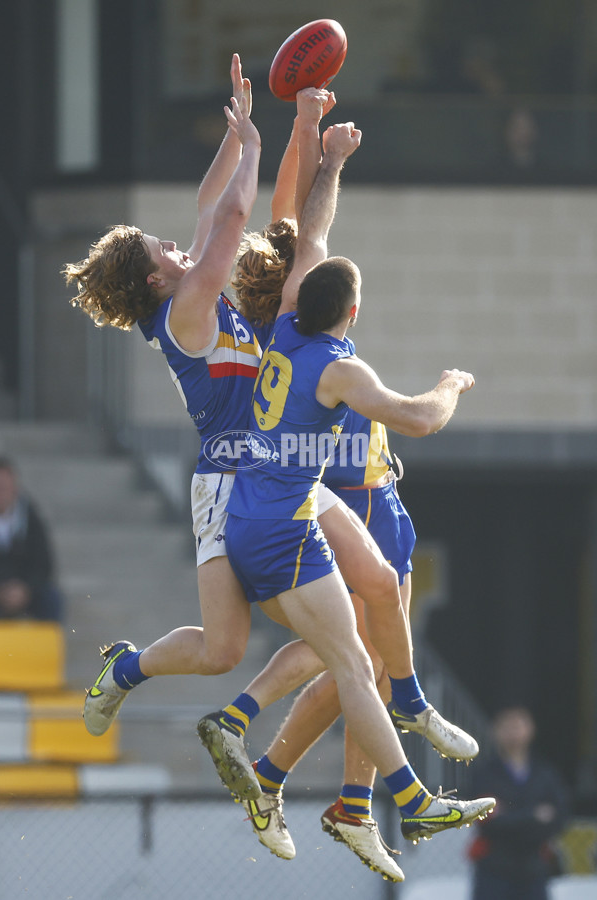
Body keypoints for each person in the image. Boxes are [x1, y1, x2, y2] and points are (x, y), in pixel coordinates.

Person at [197, 115, 495, 873]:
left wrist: (327, 155)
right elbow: (422, 419)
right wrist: (452, 384)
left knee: (359, 640)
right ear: (354, 314)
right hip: (300, 517)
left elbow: (312, 232)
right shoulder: (337, 365)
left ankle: (336, 775)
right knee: (354, 660)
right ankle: (399, 780)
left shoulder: (290, 323)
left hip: (267, 508)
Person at [468, 706, 568, 900]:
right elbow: (487, 819)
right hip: (494, 868)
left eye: (518, 725)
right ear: (495, 730)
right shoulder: (485, 774)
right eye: (507, 726)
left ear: (530, 729)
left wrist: (510, 815)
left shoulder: (544, 774)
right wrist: (533, 815)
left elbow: (559, 815)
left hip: (534, 867)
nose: (513, 733)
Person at [0, 456, 63, 622]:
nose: (0, 492)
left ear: (15, 488)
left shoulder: (31, 519)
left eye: (4, 487)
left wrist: (25, 589)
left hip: (26, 591)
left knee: (52, 599)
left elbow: (44, 562)